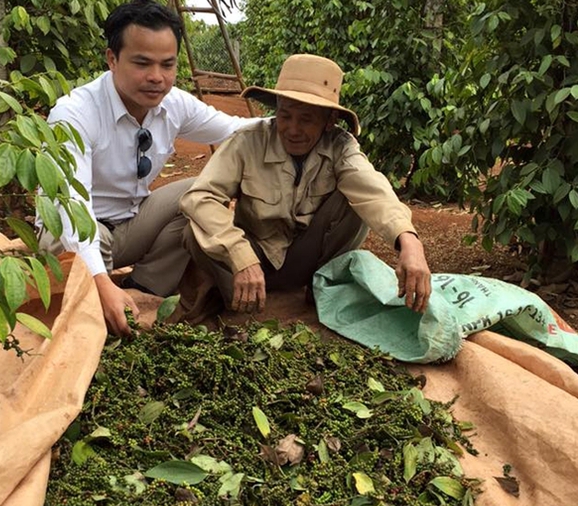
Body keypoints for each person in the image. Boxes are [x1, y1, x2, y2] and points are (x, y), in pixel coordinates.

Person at [36, 0, 259, 335]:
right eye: (142, 63)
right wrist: (99, 279)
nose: (157, 77)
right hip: (78, 229)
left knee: (197, 192)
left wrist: (294, 121)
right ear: (112, 59)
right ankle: (104, 295)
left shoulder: (173, 104)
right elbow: (71, 207)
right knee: (59, 237)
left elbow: (234, 129)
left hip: (129, 225)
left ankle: (144, 290)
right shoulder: (75, 114)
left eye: (167, 65)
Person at [179, 53, 431, 316]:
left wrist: (409, 242)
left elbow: (374, 192)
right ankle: (238, 294)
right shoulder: (248, 141)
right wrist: (240, 255)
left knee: (355, 201)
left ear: (329, 121)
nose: (292, 129)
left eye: (307, 119)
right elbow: (200, 197)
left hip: (303, 260)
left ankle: (317, 289)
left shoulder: (340, 147)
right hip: (252, 257)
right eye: (285, 115)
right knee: (194, 230)